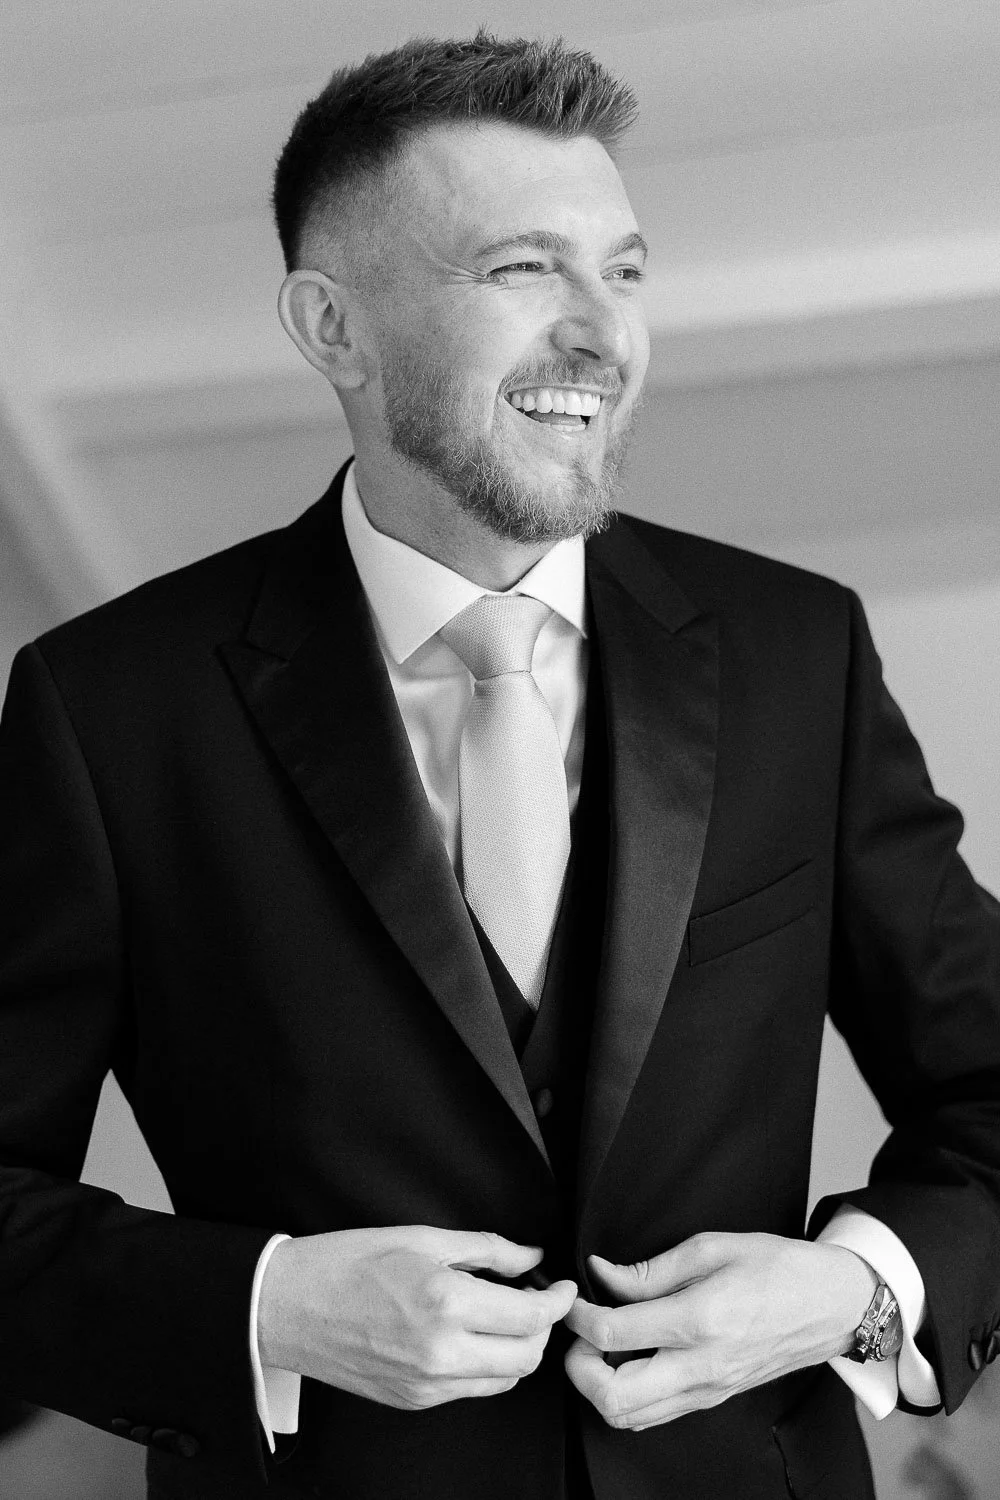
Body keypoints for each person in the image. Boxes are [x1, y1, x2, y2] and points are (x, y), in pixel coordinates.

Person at [1, 31, 998, 1500]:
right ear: (333, 327)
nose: (602, 335)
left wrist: (850, 1288)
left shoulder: (800, 655)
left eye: (629, 273)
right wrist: (266, 1307)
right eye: (524, 269)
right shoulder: (109, 710)